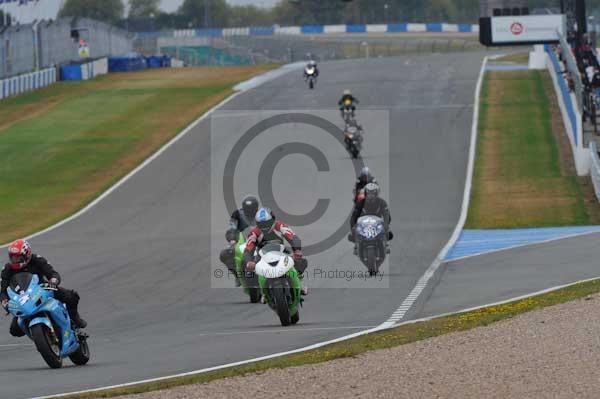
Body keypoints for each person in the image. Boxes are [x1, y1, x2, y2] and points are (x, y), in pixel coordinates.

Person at [1, 240, 87, 337]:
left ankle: (75, 320)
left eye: (18, 257)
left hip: (43, 289)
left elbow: (52, 273)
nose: (15, 260)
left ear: (27, 254)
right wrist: (6, 303)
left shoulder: (37, 260)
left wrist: (53, 281)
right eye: (12, 257)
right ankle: (39, 336)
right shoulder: (7, 269)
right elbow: (2, 290)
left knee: (72, 296)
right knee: (14, 330)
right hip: (23, 300)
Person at [244, 208, 308, 295]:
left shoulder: (280, 226)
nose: (264, 226)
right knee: (248, 272)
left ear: (272, 219)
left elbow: (293, 237)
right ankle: (259, 290)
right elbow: (248, 249)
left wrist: (297, 250)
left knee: (300, 261)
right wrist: (248, 262)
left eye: (266, 223)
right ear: (257, 223)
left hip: (281, 252)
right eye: (261, 224)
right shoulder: (254, 233)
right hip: (262, 256)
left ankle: (299, 280)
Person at [220, 196, 260, 287]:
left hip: (259, 240)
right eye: (248, 209)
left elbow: (270, 225)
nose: (250, 212)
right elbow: (232, 228)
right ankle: (237, 275)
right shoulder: (237, 214)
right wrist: (232, 239)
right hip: (242, 241)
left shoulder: (262, 214)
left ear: (256, 208)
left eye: (252, 209)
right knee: (225, 254)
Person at [350, 183, 393, 254]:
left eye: (373, 193)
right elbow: (354, 216)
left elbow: (386, 215)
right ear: (366, 193)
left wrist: (386, 224)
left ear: (376, 193)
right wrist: (353, 227)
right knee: (352, 235)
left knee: (389, 234)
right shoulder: (360, 203)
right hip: (363, 224)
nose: (371, 195)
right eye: (369, 193)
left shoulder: (382, 202)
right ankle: (356, 247)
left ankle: (386, 245)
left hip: (377, 223)